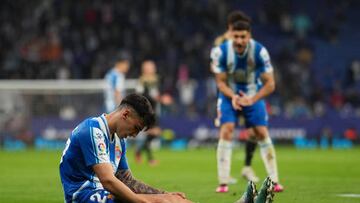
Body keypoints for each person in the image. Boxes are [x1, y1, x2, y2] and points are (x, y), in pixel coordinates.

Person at [59, 93, 192, 203]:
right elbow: (108, 181)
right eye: (136, 128)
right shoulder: (92, 130)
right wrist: (155, 201)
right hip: (82, 196)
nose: (134, 135)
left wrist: (164, 194)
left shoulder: (119, 140)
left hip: (105, 196)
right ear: (125, 114)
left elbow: (127, 180)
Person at [210, 12, 284, 193]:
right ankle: (223, 182)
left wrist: (252, 98)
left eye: (243, 37)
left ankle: (274, 181)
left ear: (249, 36)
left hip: (253, 94)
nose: (239, 41)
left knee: (261, 131)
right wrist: (233, 96)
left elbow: (271, 83)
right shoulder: (220, 51)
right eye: (236, 36)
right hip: (229, 96)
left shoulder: (259, 51)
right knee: (226, 129)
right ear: (230, 34)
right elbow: (220, 82)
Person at [212, 11, 260, 185]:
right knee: (227, 130)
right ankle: (224, 175)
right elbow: (217, 70)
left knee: (254, 131)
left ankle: (247, 166)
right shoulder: (221, 43)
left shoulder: (249, 41)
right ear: (229, 27)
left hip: (247, 93)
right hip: (227, 95)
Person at [134, 60, 167, 166]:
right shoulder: (142, 81)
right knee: (154, 132)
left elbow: (156, 94)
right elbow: (140, 95)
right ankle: (150, 159)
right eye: (150, 67)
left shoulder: (155, 80)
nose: (153, 69)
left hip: (155, 109)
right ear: (145, 69)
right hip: (147, 110)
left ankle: (139, 151)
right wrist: (161, 99)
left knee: (154, 133)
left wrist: (160, 99)